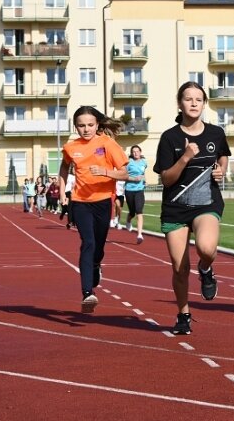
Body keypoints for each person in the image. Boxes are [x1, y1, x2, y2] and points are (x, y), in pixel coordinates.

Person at [154, 81, 230, 335]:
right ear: (180, 103)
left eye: (199, 99)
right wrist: (185, 156)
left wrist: (221, 171)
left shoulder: (216, 133)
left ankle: (206, 270)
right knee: (179, 268)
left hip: (206, 203)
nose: (194, 103)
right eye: (188, 99)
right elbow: (166, 179)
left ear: (204, 103)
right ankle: (183, 314)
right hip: (175, 207)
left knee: (207, 249)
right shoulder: (170, 137)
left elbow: (223, 156)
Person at [59, 106, 129, 313]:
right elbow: (64, 167)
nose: (86, 129)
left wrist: (105, 172)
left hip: (103, 201)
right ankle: (87, 293)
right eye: (81, 126)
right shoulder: (71, 147)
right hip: (80, 202)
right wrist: (63, 191)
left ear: (97, 125)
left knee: (98, 246)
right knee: (88, 242)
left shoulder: (107, 143)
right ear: (75, 127)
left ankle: (97, 265)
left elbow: (124, 173)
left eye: (90, 125)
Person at [124, 144, 147, 244]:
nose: (135, 153)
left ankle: (139, 234)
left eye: (137, 151)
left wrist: (144, 179)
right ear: (131, 153)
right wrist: (134, 179)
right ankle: (128, 221)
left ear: (140, 152)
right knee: (132, 212)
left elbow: (143, 173)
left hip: (139, 190)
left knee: (139, 211)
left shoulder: (144, 162)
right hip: (129, 190)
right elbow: (124, 176)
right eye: (133, 152)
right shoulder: (128, 163)